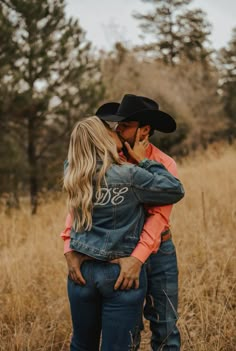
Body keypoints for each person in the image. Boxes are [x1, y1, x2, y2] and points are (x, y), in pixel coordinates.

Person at [63, 115, 184, 351]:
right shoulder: (127, 172)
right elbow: (174, 190)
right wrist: (68, 246)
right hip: (117, 267)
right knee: (122, 343)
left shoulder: (74, 170)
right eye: (111, 128)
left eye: (123, 126)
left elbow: (159, 217)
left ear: (144, 130)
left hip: (148, 254)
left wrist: (137, 258)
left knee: (163, 325)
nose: (117, 130)